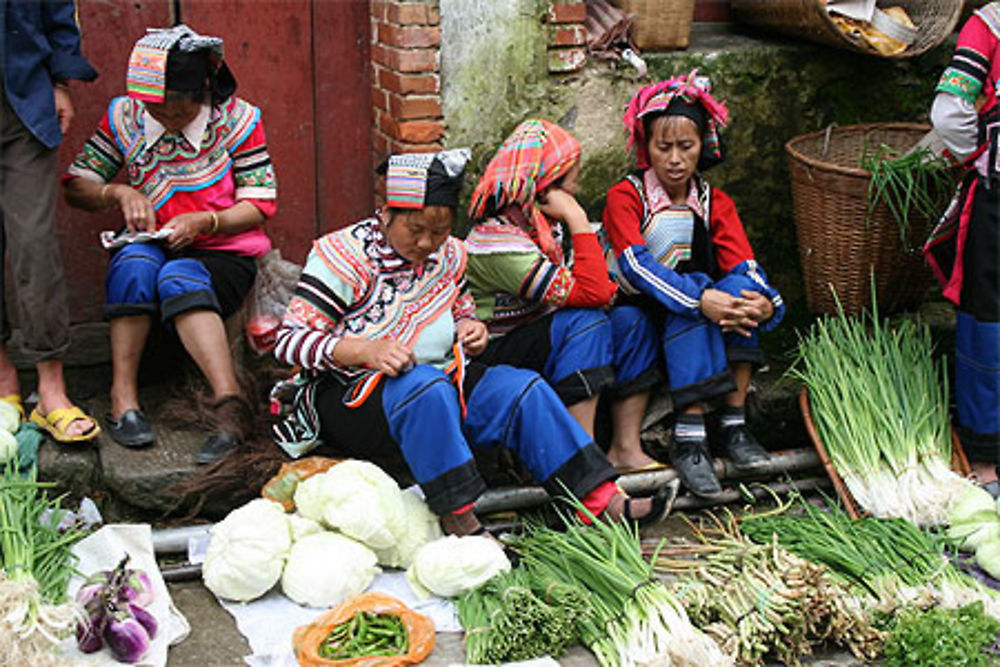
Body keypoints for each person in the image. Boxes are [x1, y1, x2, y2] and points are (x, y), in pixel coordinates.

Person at [271, 149, 675, 535]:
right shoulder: (343, 255)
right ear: (388, 213)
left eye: (440, 231)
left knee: (521, 388)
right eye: (415, 230)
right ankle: (461, 518)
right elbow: (289, 342)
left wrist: (471, 329)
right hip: (352, 397)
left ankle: (601, 501)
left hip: (439, 380)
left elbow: (462, 308)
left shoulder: (450, 256)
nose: (427, 243)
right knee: (423, 387)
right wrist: (364, 350)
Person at [63, 25, 277, 463]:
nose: (163, 118)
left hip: (223, 251)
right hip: (154, 243)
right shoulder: (126, 116)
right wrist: (117, 193)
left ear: (202, 89)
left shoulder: (238, 121)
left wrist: (206, 220)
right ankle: (124, 398)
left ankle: (230, 406)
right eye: (154, 109)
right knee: (134, 266)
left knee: (179, 276)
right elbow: (77, 184)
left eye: (176, 111)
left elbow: (260, 203)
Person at [601, 72, 784, 497]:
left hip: (697, 304)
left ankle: (734, 427)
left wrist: (766, 303)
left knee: (741, 291)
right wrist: (700, 298)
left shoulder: (714, 201)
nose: (675, 159)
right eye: (663, 147)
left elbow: (746, 262)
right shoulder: (626, 197)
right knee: (698, 293)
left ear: (704, 146)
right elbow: (634, 266)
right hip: (640, 305)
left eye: (687, 146)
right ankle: (690, 438)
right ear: (645, 147)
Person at [464, 119, 663, 473]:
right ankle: (582, 462)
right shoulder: (498, 245)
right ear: (546, 188)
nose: (578, 185)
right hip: (496, 354)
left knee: (631, 321)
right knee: (585, 323)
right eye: (573, 177)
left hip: (544, 338)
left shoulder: (543, 230)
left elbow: (601, 292)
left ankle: (625, 449)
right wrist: (577, 217)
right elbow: (593, 293)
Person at [0, 0, 100, 442]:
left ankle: (51, 390)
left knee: (33, 244)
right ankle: (4, 383)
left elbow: (58, 9)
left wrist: (59, 81)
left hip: (22, 102)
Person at [928, 3, 1000, 496]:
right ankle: (987, 457)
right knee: (987, 320)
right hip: (998, 200)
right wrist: (980, 153)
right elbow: (950, 111)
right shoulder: (989, 27)